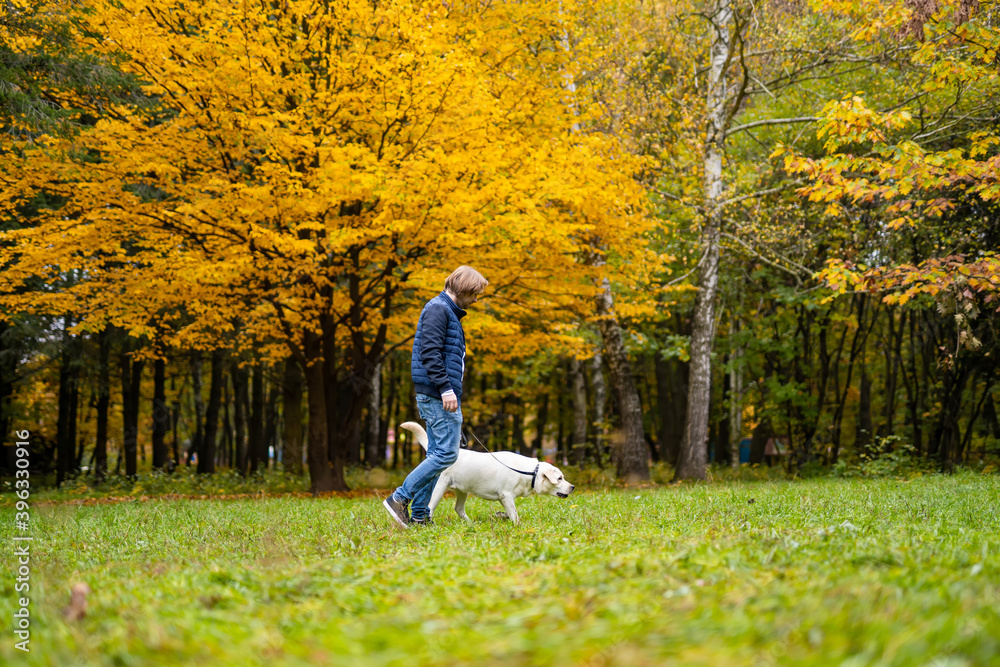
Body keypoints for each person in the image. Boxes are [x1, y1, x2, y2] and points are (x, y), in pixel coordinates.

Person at [383, 266, 488, 527]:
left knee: (438, 454)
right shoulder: (438, 309)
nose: (476, 300)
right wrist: (446, 389)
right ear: (463, 288)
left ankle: (419, 514)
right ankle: (398, 499)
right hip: (437, 394)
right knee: (446, 455)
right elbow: (429, 353)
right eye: (475, 294)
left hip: (440, 394)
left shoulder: (447, 311)